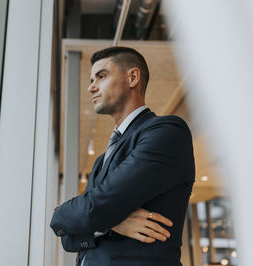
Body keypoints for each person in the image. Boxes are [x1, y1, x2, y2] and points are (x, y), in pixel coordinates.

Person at [50, 46, 195, 266]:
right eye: (91, 80)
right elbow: (69, 240)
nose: (91, 87)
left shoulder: (167, 131)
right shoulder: (100, 162)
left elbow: (97, 208)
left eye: (102, 76)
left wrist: (63, 212)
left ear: (133, 78)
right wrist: (110, 223)